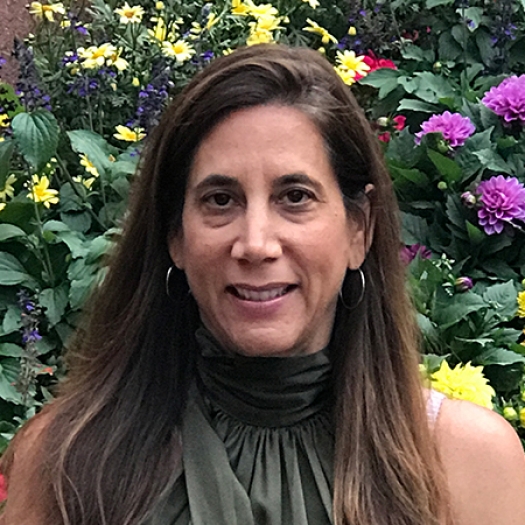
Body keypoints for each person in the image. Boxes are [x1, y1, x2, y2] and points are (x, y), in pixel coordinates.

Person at [1, 44, 525, 525]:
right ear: (175, 237)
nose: (255, 244)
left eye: (295, 197)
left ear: (358, 230)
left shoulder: (469, 464)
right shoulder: (67, 463)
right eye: (220, 200)